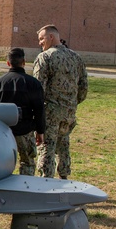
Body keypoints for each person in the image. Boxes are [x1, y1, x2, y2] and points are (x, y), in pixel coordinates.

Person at [33, 25, 88, 179]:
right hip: (69, 113)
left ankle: (46, 181)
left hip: (50, 112)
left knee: (46, 148)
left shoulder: (45, 57)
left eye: (41, 39)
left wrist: (38, 112)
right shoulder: (76, 57)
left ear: (51, 37)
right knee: (63, 146)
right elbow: (83, 88)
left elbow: (38, 89)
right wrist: (71, 103)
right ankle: (64, 178)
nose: (40, 43)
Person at [0, 48, 45, 176]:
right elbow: (39, 109)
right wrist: (40, 131)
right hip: (25, 130)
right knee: (28, 162)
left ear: (8, 63)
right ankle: (26, 187)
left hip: (4, 131)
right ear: (24, 62)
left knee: (2, 161)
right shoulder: (33, 83)